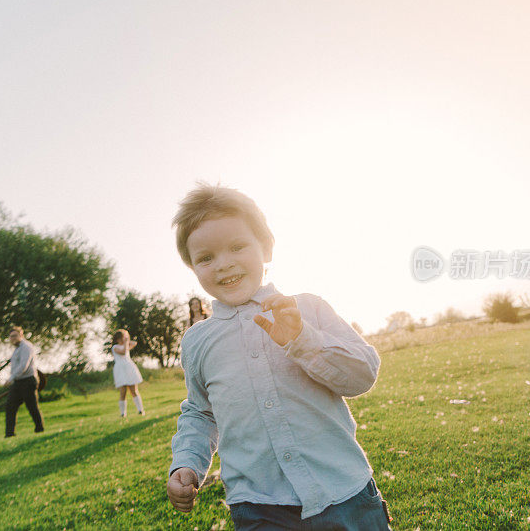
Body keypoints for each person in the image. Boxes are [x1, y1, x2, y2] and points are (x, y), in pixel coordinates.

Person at [166, 183, 391, 530]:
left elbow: (362, 376)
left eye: (237, 247)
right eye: (206, 257)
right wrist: (186, 463)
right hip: (258, 505)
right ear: (193, 267)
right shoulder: (198, 340)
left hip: (343, 490)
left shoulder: (308, 309)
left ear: (266, 247)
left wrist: (303, 338)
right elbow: (199, 412)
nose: (223, 264)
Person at [5, 326, 45, 437]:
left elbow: (24, 366)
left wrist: (11, 378)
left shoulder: (26, 347)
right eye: (11, 336)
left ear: (21, 335)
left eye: (15, 336)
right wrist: (13, 378)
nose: (12, 338)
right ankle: (9, 434)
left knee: (32, 406)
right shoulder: (16, 350)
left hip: (28, 381)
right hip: (18, 382)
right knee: (10, 406)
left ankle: (39, 428)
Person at [111, 329, 145, 417]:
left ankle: (140, 410)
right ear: (118, 338)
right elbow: (123, 352)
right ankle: (123, 413)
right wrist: (126, 343)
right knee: (123, 392)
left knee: (134, 390)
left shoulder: (125, 346)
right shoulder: (115, 347)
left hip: (129, 368)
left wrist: (127, 339)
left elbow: (134, 343)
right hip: (120, 370)